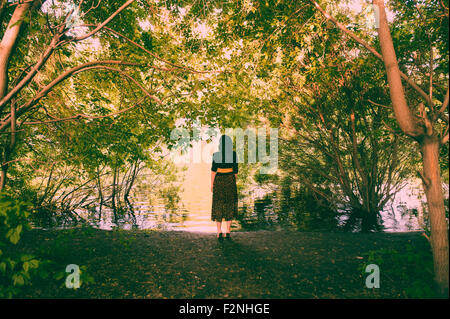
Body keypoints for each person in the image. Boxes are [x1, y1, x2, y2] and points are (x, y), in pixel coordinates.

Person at [211, 135, 238, 241]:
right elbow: (236, 172)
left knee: (218, 204)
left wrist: (212, 184)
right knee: (229, 204)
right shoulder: (234, 154)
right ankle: (228, 231)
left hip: (219, 181)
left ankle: (218, 231)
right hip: (230, 180)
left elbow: (213, 171)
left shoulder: (216, 155)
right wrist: (231, 181)